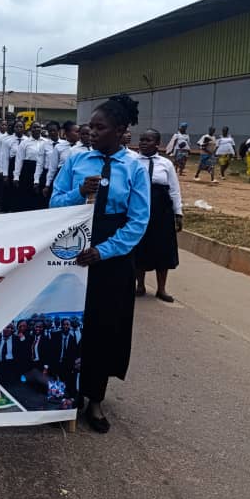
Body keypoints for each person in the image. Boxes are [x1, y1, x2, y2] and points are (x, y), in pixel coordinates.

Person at [49, 94, 150, 433]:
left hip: (113, 253)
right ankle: (68, 394)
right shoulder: (76, 160)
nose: (90, 133)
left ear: (120, 130)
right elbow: (53, 203)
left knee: (105, 326)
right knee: (74, 322)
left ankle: (95, 399)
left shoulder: (134, 166)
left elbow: (138, 220)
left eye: (99, 127)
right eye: (89, 127)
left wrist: (105, 250)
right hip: (75, 247)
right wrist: (78, 192)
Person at [134, 129, 183, 302]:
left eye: (148, 140)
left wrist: (178, 213)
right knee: (139, 246)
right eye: (141, 140)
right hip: (138, 208)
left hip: (161, 211)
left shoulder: (166, 164)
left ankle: (161, 289)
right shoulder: (132, 161)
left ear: (157, 144)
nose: (143, 143)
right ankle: (140, 284)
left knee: (163, 249)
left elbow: (174, 189)